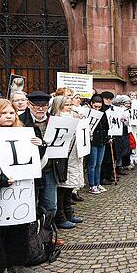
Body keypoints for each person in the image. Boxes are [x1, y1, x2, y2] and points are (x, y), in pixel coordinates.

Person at [0, 99, 42, 273]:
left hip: (21, 189)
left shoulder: (24, 133)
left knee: (19, 227)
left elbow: (35, 163)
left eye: (11, 113)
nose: (8, 117)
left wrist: (39, 146)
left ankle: (17, 264)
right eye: (2, 114)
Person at [50, 95, 84, 229]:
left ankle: (68, 212)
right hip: (63, 158)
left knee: (70, 186)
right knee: (62, 187)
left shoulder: (73, 117)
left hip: (74, 157)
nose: (70, 107)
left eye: (70, 104)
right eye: (66, 105)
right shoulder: (57, 120)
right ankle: (61, 216)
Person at [87, 94, 109, 194]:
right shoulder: (89, 113)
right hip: (93, 141)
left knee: (98, 164)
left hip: (101, 141)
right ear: (91, 104)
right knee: (92, 164)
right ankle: (92, 185)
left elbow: (106, 126)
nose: (97, 109)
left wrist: (107, 137)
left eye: (99, 107)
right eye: (95, 106)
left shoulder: (103, 113)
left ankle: (97, 183)